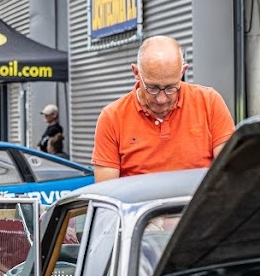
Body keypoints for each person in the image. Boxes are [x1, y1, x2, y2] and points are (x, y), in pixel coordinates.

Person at [91, 36, 235, 181]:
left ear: (182, 72)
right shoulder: (112, 118)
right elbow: (106, 189)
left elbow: (231, 172)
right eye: (152, 88)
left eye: (170, 87)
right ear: (136, 72)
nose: (161, 99)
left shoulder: (209, 102)